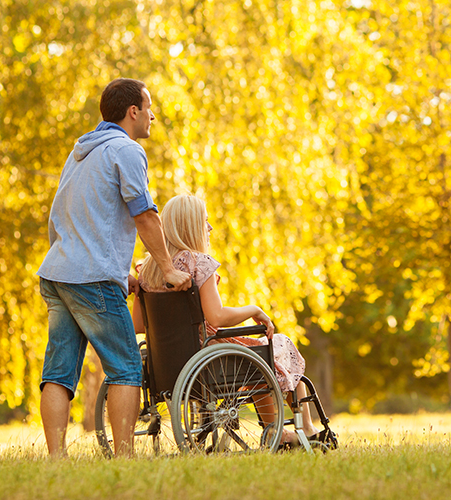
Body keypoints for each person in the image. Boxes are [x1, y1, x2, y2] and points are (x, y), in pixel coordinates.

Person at [36, 78, 193, 458]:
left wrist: (116, 268)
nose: (153, 114)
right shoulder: (127, 150)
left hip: (58, 273)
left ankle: (56, 462)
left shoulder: (80, 153)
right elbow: (144, 214)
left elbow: (60, 220)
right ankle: (124, 460)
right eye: (148, 106)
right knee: (125, 368)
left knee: (59, 373)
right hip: (91, 277)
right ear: (133, 111)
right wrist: (168, 269)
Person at [136, 194, 319, 445]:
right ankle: (304, 429)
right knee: (278, 345)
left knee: (258, 357)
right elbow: (217, 316)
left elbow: (138, 324)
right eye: (205, 222)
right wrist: (253, 309)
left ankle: (276, 431)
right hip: (208, 358)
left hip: (167, 365)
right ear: (190, 227)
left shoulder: (147, 270)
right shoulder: (199, 264)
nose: (209, 228)